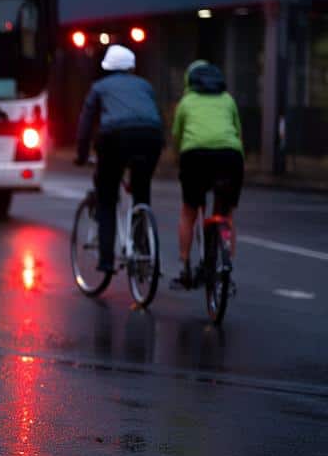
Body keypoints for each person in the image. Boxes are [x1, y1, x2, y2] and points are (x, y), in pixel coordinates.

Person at [74, 45, 165, 273]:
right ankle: (144, 250)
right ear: (131, 67)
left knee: (106, 196)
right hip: (151, 137)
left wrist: (82, 154)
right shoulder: (145, 86)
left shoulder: (99, 87)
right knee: (141, 192)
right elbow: (155, 115)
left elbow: (86, 122)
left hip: (115, 138)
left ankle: (106, 260)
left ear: (107, 67)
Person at [170, 60, 244, 289]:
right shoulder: (228, 100)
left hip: (195, 157)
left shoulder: (186, 102)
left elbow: (177, 136)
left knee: (189, 211)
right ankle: (226, 265)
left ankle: (184, 268)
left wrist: (177, 160)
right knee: (226, 213)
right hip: (230, 157)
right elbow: (238, 133)